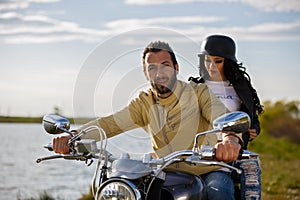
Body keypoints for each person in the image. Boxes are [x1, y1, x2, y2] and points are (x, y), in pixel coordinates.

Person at [53, 41, 242, 200]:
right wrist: (74, 137)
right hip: (164, 173)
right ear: (146, 73)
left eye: (165, 65)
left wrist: (230, 139)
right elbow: (109, 124)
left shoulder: (198, 92)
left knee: (218, 190)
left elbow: (222, 116)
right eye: (152, 67)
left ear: (176, 68)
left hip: (207, 170)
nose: (159, 73)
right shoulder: (144, 102)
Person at [189, 34, 264, 200]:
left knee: (250, 178)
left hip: (234, 152)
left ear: (228, 62)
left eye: (218, 61)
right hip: (205, 156)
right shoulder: (195, 88)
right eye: (207, 60)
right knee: (219, 188)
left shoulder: (240, 87)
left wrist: (253, 129)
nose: (211, 66)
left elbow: (250, 116)